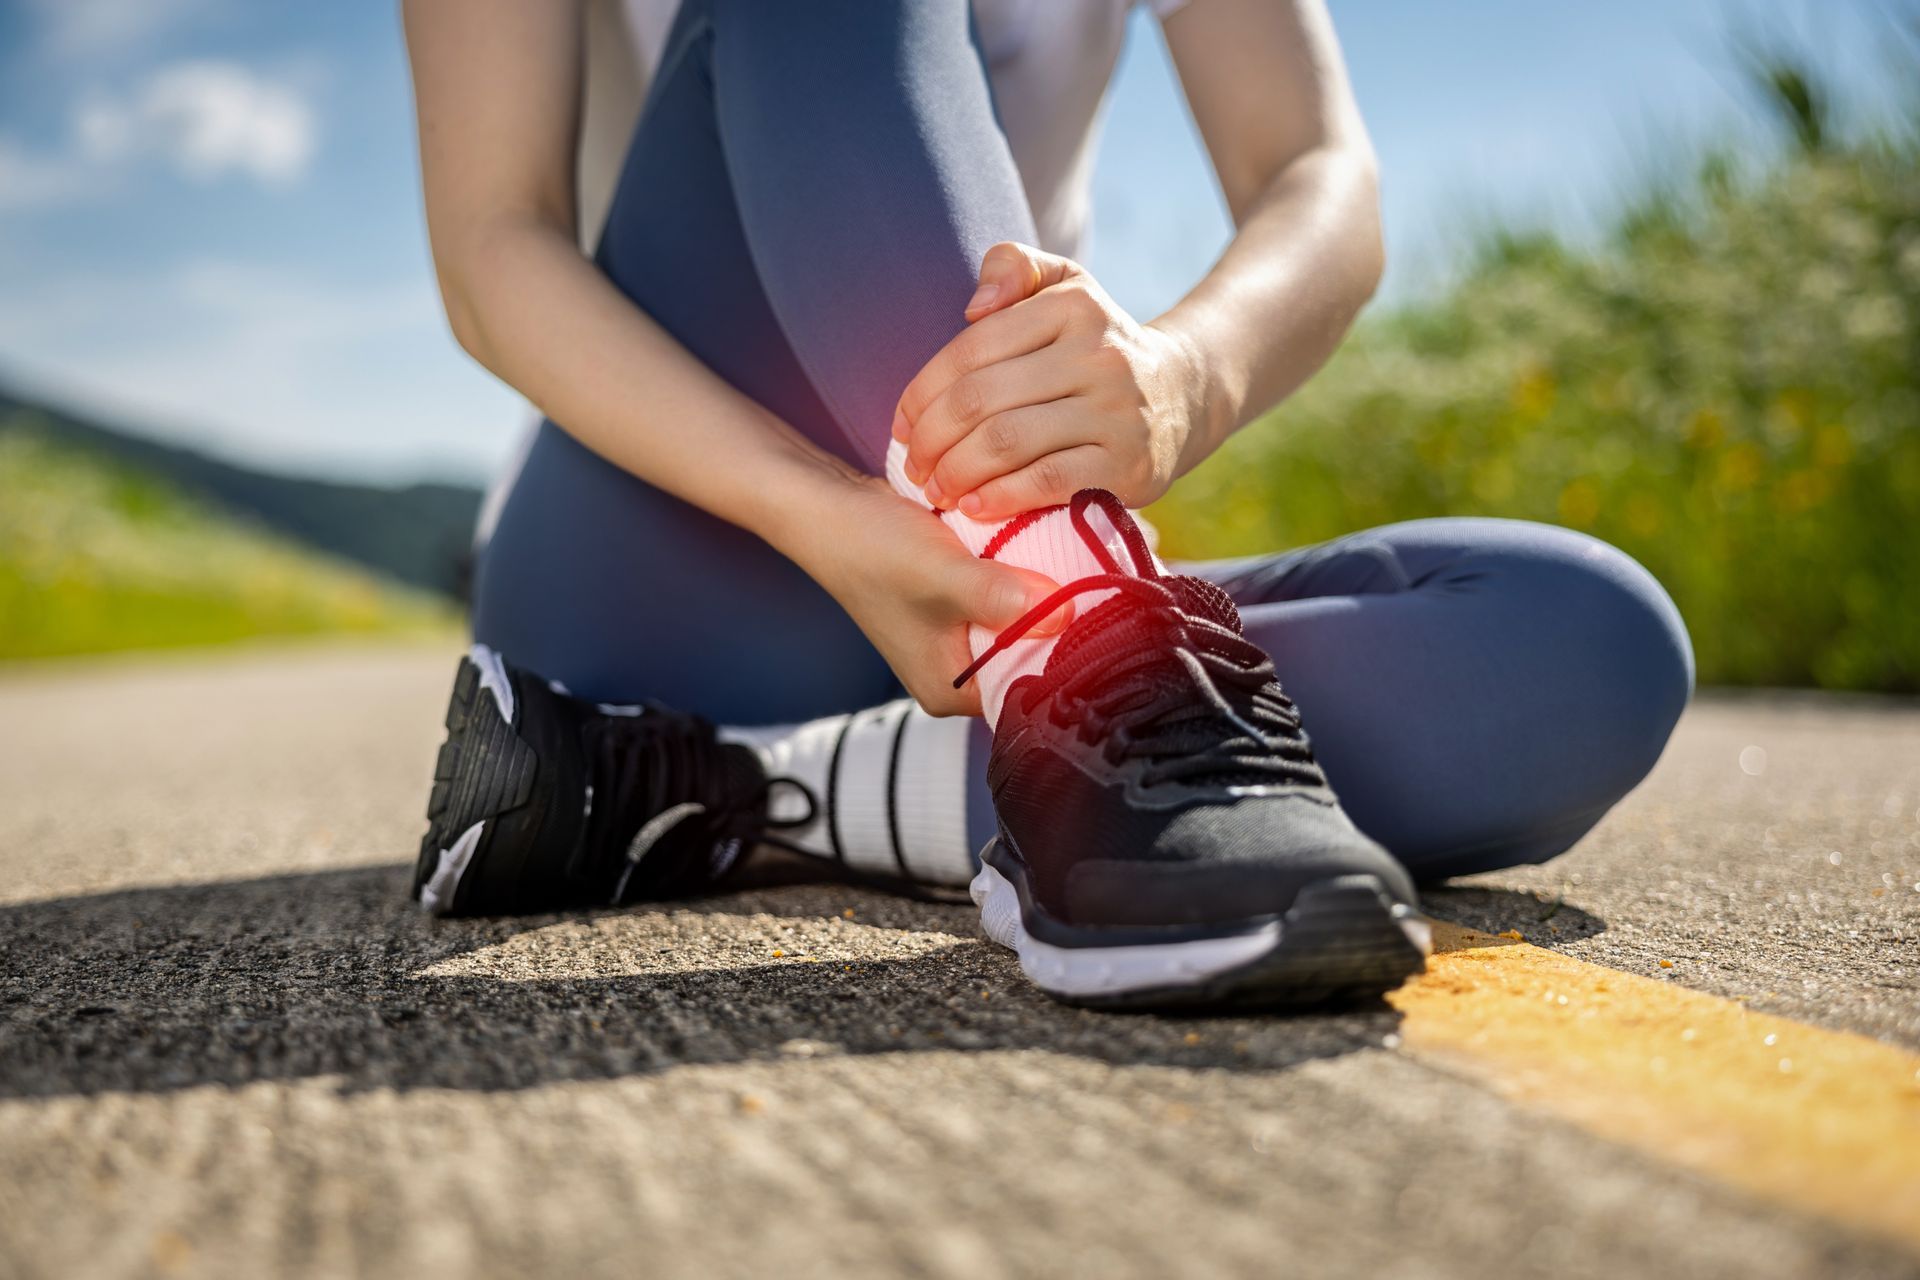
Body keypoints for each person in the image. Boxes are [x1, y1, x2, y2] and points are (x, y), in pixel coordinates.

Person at [400, 0, 1693, 1009]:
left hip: (976, 619)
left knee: (1583, 646)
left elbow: (1314, 168)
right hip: (668, 570)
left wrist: (1186, 375)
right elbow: (492, 246)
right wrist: (815, 507)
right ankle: (1087, 664)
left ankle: (727, 794)